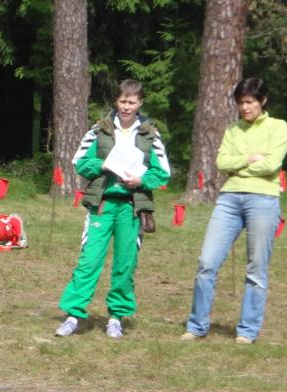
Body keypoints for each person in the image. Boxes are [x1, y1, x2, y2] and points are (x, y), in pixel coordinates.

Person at [54, 80, 171, 339]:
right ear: (116, 102)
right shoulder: (100, 130)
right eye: (122, 101)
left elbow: (162, 172)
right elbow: (80, 162)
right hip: (102, 204)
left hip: (131, 207)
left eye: (132, 102)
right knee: (89, 260)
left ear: (140, 103)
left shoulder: (150, 134)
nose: (126, 107)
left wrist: (141, 181)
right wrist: (103, 165)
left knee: (125, 264)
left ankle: (116, 317)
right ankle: (73, 315)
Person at [182, 77, 287, 344]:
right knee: (206, 262)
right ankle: (197, 326)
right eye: (240, 102)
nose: (244, 108)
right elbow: (221, 162)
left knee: (256, 269)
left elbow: (272, 165)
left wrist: (239, 166)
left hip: (263, 199)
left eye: (249, 102)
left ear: (263, 101)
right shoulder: (232, 129)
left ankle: (247, 330)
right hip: (229, 199)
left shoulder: (279, 127)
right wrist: (249, 159)